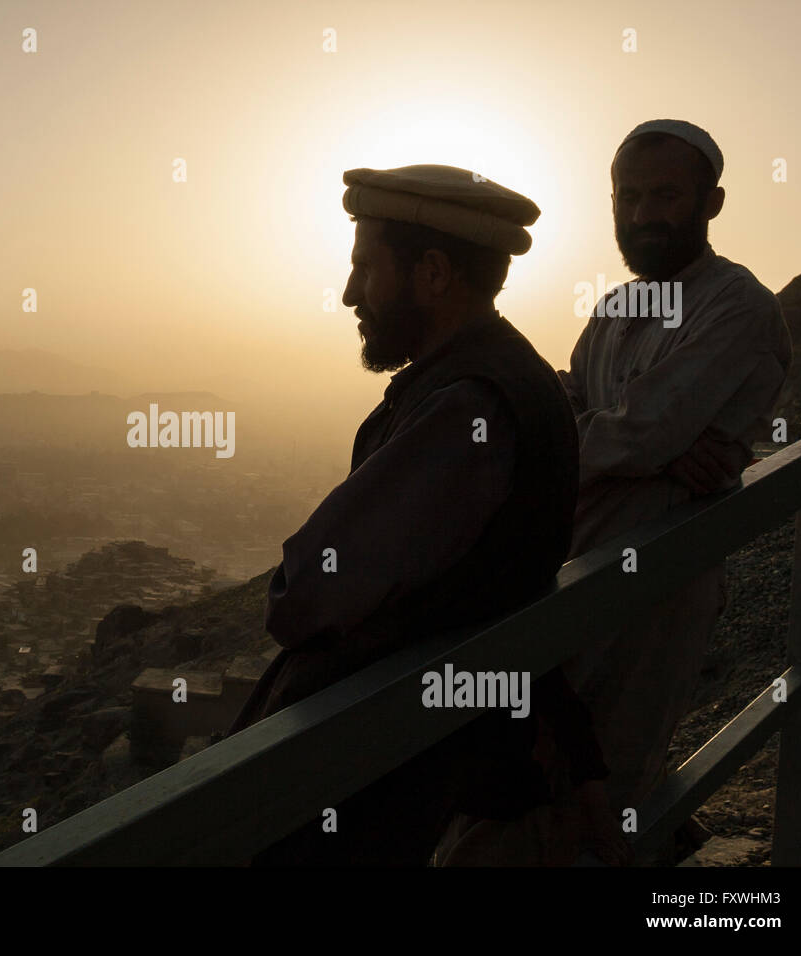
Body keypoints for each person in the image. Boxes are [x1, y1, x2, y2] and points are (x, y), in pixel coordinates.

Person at [227, 164, 619, 865]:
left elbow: (305, 598)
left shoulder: (467, 406)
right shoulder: (501, 374)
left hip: (390, 768)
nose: (350, 293)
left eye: (365, 267)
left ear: (433, 273)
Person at [438, 120, 793, 865]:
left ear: (712, 201)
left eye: (664, 195)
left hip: (658, 579)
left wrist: (640, 447)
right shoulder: (615, 310)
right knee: (523, 764)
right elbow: (598, 421)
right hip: (571, 563)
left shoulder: (738, 306)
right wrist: (643, 446)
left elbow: (640, 431)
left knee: (609, 778)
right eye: (627, 196)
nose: (642, 215)